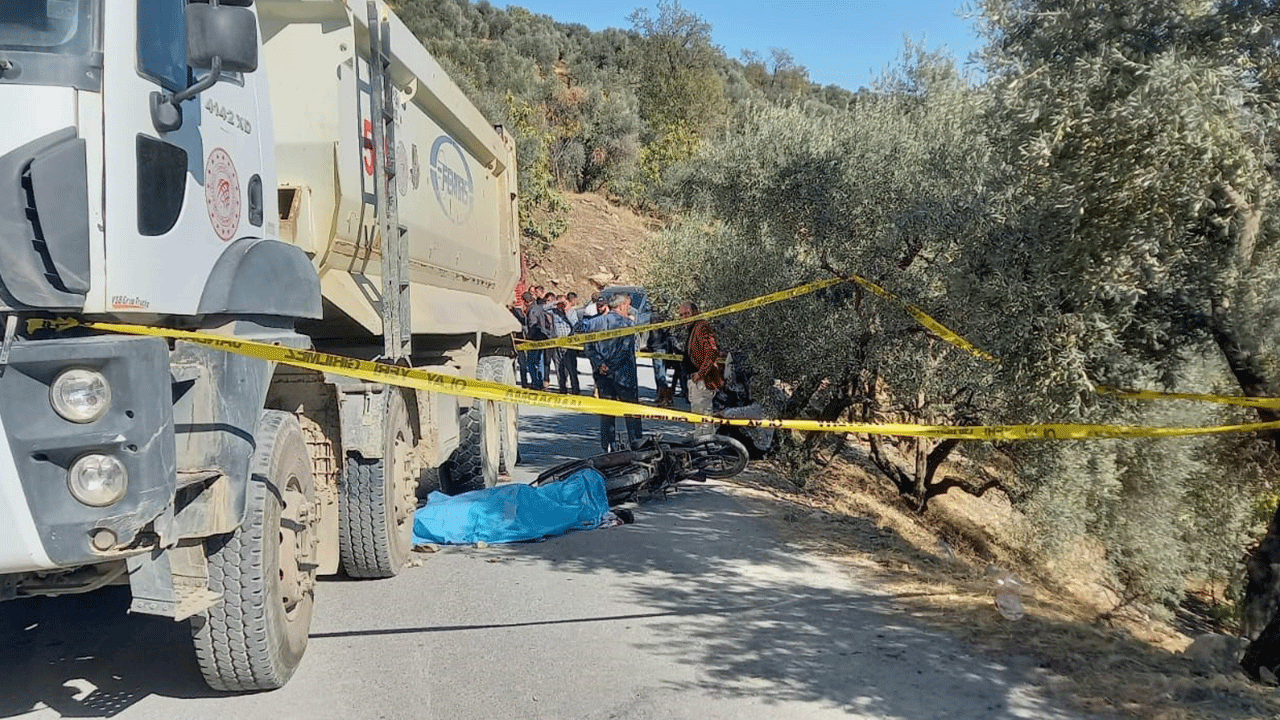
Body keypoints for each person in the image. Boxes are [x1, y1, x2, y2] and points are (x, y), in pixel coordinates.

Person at [585, 293, 643, 451]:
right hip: (624, 377)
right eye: (628, 306)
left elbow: (588, 348)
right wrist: (609, 366)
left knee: (607, 414)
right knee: (631, 414)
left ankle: (607, 448)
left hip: (602, 377)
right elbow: (625, 350)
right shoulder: (626, 324)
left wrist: (600, 364)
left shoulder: (593, 323)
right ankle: (636, 447)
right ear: (622, 305)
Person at [679, 301, 723, 435]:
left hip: (702, 382)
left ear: (695, 313)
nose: (684, 317)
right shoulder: (694, 329)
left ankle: (707, 448)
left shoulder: (701, 327)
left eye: (687, 314)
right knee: (699, 417)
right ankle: (702, 447)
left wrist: (700, 373)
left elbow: (712, 351)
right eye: (681, 315)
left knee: (703, 418)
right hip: (695, 381)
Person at [522, 291, 552, 390]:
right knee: (540, 361)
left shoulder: (532, 311)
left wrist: (528, 337)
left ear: (525, 302)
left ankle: (536, 382)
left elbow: (533, 325)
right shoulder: (539, 308)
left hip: (534, 340)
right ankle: (541, 381)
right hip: (542, 338)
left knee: (531, 362)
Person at [548, 296, 575, 394]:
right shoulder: (554, 312)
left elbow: (575, 324)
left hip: (568, 344)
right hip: (557, 342)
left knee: (571, 368)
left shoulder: (571, 312)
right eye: (560, 304)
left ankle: (575, 388)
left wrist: (566, 311)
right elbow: (544, 308)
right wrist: (556, 302)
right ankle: (562, 387)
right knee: (559, 367)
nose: (562, 305)